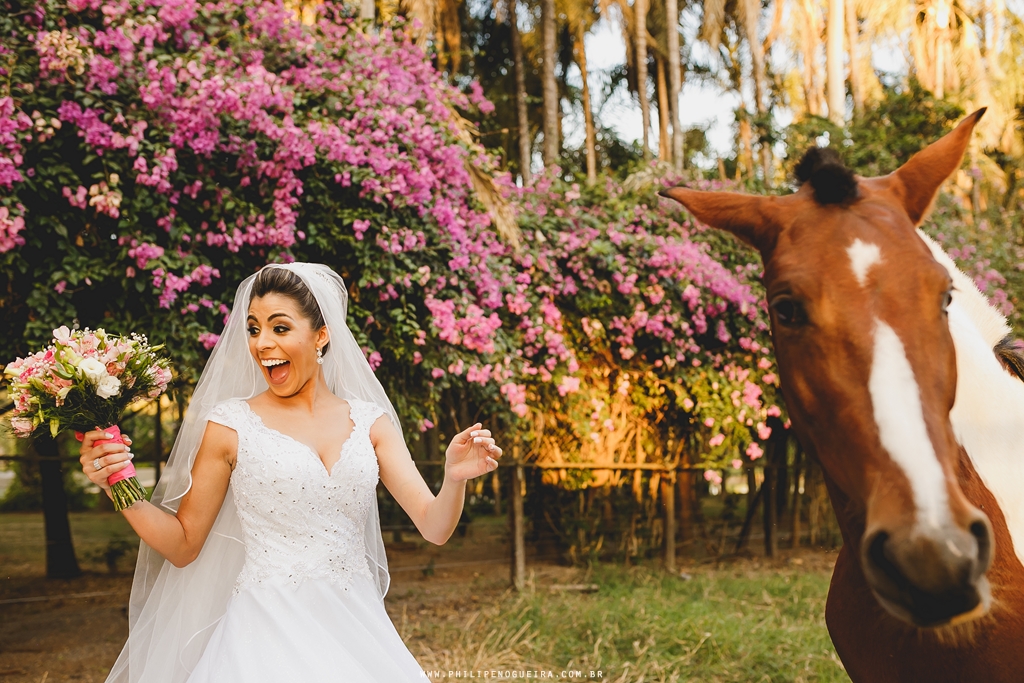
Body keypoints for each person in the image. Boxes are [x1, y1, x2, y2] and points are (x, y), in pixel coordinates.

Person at [78, 263, 502, 682]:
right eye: (253, 328)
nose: (262, 344)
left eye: (280, 328)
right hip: (264, 635)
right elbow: (184, 545)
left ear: (321, 335)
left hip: (357, 629)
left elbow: (434, 527)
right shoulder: (230, 426)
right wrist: (120, 484)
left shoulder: (371, 424)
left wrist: (454, 478)